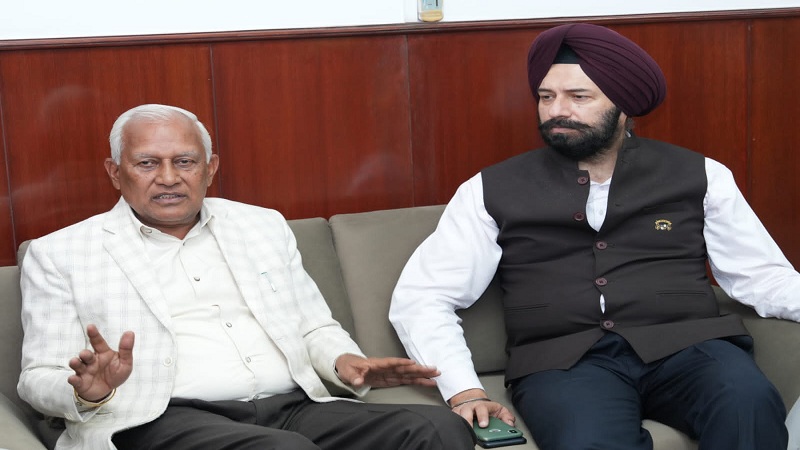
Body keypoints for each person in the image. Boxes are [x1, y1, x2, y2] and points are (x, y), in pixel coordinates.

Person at [389, 23, 800, 450]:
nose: (557, 110)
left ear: (623, 106)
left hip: (690, 348)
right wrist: (464, 390)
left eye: (578, 97)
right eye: (546, 97)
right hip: (564, 366)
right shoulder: (488, 189)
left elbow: (761, 276)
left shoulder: (702, 175)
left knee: (749, 404)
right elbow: (424, 296)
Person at [17, 104, 476, 450]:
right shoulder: (60, 253)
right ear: (115, 173)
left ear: (210, 168)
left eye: (185, 161)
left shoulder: (262, 225)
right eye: (147, 163)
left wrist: (344, 361)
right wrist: (89, 393)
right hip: (162, 418)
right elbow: (37, 377)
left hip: (292, 406)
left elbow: (314, 326)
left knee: (436, 429)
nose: (168, 178)